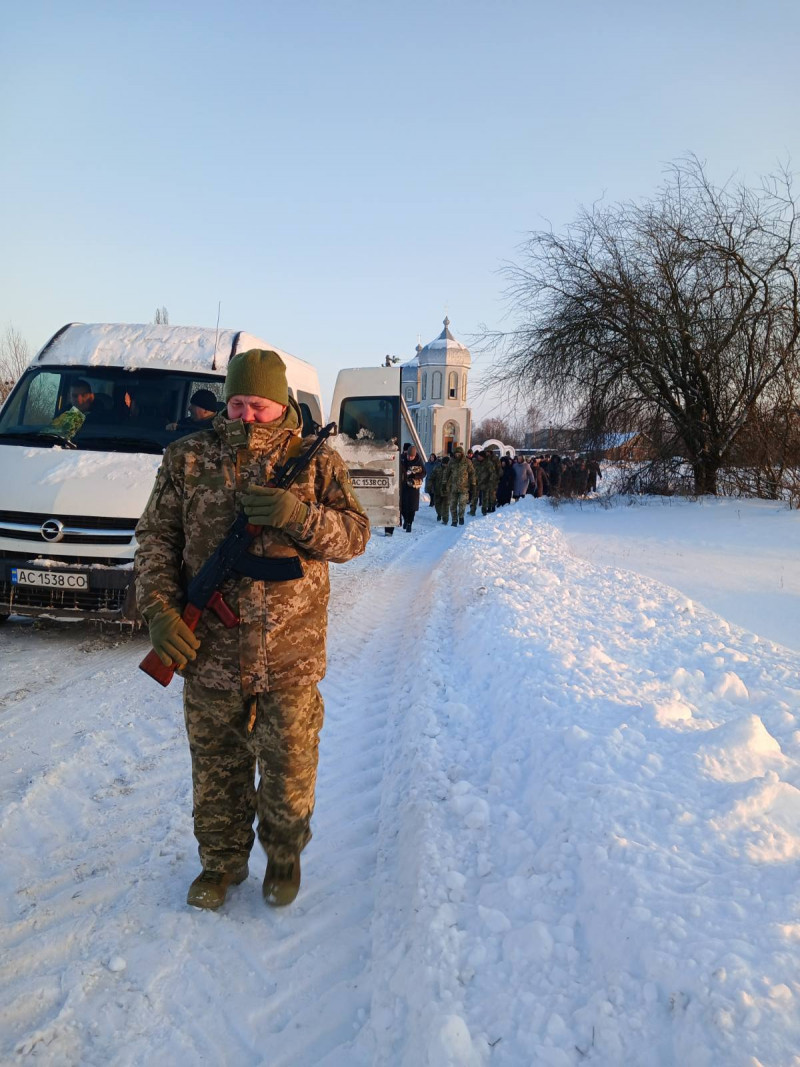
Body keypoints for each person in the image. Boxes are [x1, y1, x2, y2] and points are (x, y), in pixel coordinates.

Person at [135, 349, 370, 912]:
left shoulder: (317, 463)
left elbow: (356, 537)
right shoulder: (187, 458)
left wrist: (298, 516)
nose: (246, 416)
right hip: (210, 653)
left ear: (282, 403)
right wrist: (161, 611)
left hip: (290, 655)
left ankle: (284, 857)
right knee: (217, 769)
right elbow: (155, 541)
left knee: (290, 769)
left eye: (259, 406)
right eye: (237, 403)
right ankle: (220, 865)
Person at [443, 445, 476, 526]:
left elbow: (472, 473)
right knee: (452, 505)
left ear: (462, 453)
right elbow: (446, 473)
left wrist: (473, 484)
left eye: (459, 453)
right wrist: (444, 483)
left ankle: (461, 516)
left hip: (464, 487)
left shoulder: (467, 462)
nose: (457, 455)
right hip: (453, 487)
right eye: (456, 453)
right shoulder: (451, 462)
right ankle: (454, 520)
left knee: (462, 504)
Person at [400, 445, 425, 531]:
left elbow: (424, 472)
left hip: (413, 487)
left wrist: (415, 474)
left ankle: (409, 523)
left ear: (414, 455)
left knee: (412, 507)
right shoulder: (402, 458)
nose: (410, 458)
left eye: (411, 456)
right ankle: (406, 520)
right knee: (402, 506)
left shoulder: (418, 461)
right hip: (403, 486)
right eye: (408, 456)